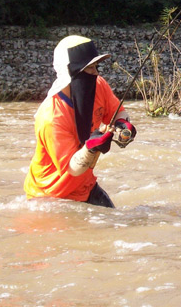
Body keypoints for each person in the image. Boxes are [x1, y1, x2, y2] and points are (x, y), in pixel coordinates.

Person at [24, 35, 136, 208]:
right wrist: (92, 148)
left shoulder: (99, 85)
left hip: (86, 187)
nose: (96, 73)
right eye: (89, 68)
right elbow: (73, 169)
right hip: (50, 198)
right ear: (71, 72)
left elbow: (119, 113)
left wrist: (123, 127)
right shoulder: (51, 117)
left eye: (96, 67)